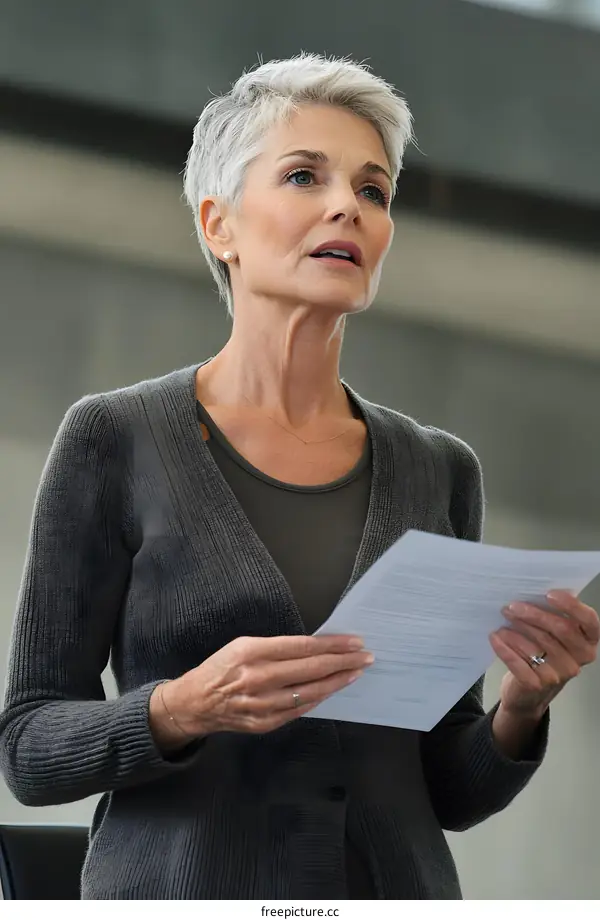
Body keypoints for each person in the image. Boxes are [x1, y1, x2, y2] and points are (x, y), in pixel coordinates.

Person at [0, 53, 598, 901]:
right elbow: (28, 747)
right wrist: (184, 706)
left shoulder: (440, 471)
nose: (345, 206)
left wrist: (523, 706)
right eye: (303, 175)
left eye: (373, 189)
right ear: (220, 225)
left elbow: (448, 788)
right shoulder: (115, 438)